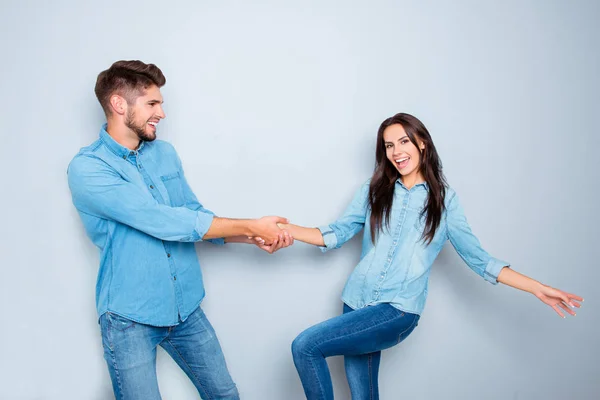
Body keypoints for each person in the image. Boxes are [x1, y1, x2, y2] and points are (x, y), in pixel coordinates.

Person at [277, 113, 583, 400]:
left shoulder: (444, 202)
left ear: (422, 142)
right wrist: (282, 229)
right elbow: (334, 233)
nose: (396, 151)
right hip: (355, 302)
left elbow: (480, 260)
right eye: (389, 145)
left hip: (396, 310)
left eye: (404, 141)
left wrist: (536, 287)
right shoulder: (373, 192)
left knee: (306, 346)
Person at [67, 60, 293, 399]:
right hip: (130, 317)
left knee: (225, 395)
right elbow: (162, 220)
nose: (162, 113)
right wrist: (249, 223)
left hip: (185, 308)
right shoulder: (88, 169)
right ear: (118, 104)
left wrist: (252, 236)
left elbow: (193, 214)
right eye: (152, 104)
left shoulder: (164, 154)